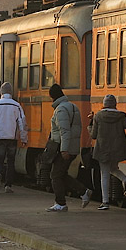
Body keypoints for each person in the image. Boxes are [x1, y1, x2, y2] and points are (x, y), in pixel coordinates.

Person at [46, 84, 92, 212]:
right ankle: (84, 192)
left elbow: (64, 131)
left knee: (55, 175)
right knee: (61, 174)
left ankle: (61, 203)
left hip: (63, 148)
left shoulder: (60, 110)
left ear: (53, 97)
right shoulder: (73, 106)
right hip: (72, 147)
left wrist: (64, 149)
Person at [89, 94, 126, 210]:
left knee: (104, 174)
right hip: (117, 149)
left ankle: (105, 202)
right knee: (113, 169)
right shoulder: (120, 116)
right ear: (115, 104)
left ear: (104, 104)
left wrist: (90, 125)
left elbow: (93, 135)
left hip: (103, 149)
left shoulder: (98, 116)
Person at [0, 81, 27, 194]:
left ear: (1, 92)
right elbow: (22, 123)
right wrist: (24, 138)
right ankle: (8, 185)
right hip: (12, 138)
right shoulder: (16, 105)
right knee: (11, 161)